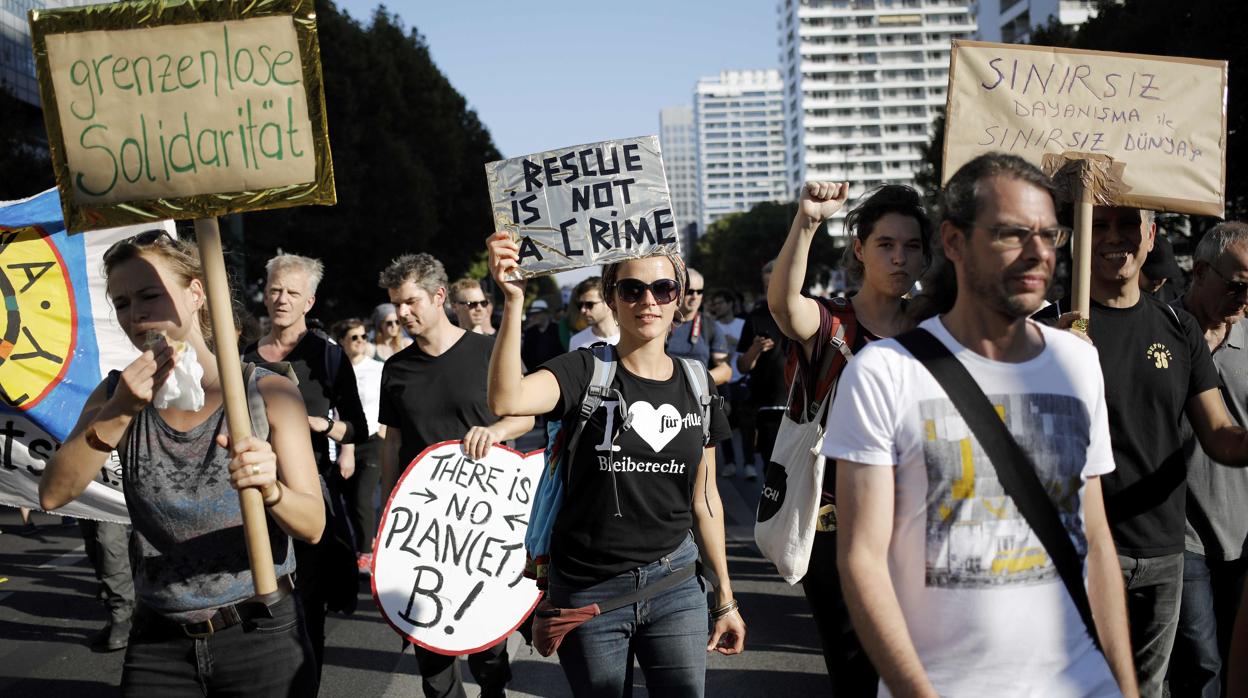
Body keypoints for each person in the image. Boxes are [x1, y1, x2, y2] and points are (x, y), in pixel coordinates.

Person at [827, 153, 1138, 697]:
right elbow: (861, 558)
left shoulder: (1078, 362)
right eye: (1011, 234)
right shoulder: (884, 373)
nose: (1037, 252)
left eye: (1048, 234)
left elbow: (1095, 540)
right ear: (953, 242)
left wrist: (1126, 688)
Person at [38, 230, 324, 695]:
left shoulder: (265, 392)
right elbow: (54, 492)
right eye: (123, 303)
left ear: (196, 293)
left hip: (261, 632)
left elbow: (312, 525)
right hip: (158, 643)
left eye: (150, 295)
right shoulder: (115, 394)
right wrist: (119, 413)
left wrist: (271, 489)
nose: (137, 314)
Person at [486, 232, 747, 696]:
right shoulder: (583, 370)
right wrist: (512, 302)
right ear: (611, 297)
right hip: (589, 592)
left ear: (679, 298)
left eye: (663, 289)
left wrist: (724, 598)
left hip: (677, 585)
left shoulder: (697, 383)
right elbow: (507, 397)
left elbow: (706, 500)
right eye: (632, 290)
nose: (648, 300)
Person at [1042, 205, 1248, 698]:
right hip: (1078, 551)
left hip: (1161, 553)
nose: (1115, 237)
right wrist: (1048, 354)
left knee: (1147, 690)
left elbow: (1220, 433)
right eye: (1101, 224)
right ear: (1079, 238)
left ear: (1151, 235)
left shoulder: (1179, 328)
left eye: (1128, 225)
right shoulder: (1048, 326)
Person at [768, 182, 930, 695]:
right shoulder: (833, 322)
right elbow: (783, 304)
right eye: (885, 244)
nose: (899, 258)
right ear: (860, 250)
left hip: (922, 526)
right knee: (859, 673)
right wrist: (809, 222)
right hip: (840, 529)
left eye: (912, 246)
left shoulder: (937, 329)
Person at [377, 253, 534, 698]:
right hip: (421, 526)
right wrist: (386, 513)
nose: (402, 313)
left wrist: (496, 430)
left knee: (487, 644)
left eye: (410, 302)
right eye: (396, 304)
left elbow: (525, 417)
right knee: (430, 649)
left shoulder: (488, 352)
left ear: (439, 296)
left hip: (483, 522)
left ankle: (493, 689)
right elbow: (392, 441)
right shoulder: (396, 369)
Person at [244, 254, 368, 677]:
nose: (281, 299)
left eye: (292, 292)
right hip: (248, 496)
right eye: (275, 289)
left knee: (306, 606)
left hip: (306, 495)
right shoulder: (243, 356)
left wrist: (323, 425)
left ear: (309, 302)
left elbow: (358, 429)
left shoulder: (328, 358)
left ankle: (304, 682)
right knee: (257, 601)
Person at [1167, 221, 1248, 697]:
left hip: (1242, 534)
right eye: (1237, 284)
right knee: (1202, 667)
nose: (1244, 299)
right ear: (1198, 272)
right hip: (1183, 536)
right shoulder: (1162, 333)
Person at [330, 318, 386, 574]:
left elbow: (389, 400)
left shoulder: (377, 368)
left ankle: (367, 553)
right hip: (343, 441)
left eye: (364, 337)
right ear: (342, 341)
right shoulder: (335, 370)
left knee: (364, 498)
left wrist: (386, 428)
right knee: (350, 500)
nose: (361, 342)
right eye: (354, 337)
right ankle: (358, 548)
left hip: (373, 439)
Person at [736, 261, 786, 480]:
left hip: (802, 410)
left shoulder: (810, 311)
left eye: (775, 283)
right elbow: (742, 366)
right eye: (766, 285)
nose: (771, 290)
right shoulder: (755, 317)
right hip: (767, 408)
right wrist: (755, 349)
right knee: (773, 474)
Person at [706, 290, 747, 479]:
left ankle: (749, 464)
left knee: (747, 424)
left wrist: (735, 343)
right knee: (725, 424)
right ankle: (729, 462)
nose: (717, 307)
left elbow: (748, 349)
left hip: (742, 379)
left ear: (731, 304)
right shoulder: (712, 326)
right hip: (723, 380)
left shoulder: (742, 324)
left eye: (721, 302)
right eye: (715, 303)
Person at [666, 267, 732, 386]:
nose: (695, 296)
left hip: (698, 397)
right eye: (690, 291)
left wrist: (695, 380)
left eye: (699, 292)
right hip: (665, 393)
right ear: (678, 291)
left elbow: (726, 371)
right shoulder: (661, 322)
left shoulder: (711, 326)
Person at [568, 276, 619, 350]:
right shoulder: (577, 342)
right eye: (580, 305)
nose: (583, 310)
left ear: (608, 302)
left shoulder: (630, 337)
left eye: (589, 304)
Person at [1139, 233, 1185, 303]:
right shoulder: (1120, 299)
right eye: (1153, 276)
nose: (1159, 282)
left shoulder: (1175, 297)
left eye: (1164, 275)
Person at [521, 298, 565, 369]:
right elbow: (525, 356)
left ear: (545, 314)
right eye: (532, 314)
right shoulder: (529, 333)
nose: (533, 317)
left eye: (537, 313)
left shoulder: (558, 330)